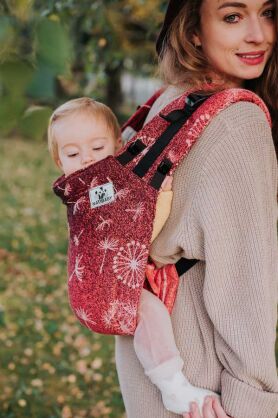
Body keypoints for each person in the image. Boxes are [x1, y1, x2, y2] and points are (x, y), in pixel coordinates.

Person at [115, 1, 278, 418]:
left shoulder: (171, 100)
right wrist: (254, 402)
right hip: (204, 384)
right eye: (232, 16)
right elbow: (244, 286)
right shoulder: (238, 121)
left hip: (150, 351)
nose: (259, 34)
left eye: (269, 12)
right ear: (192, 33)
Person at [48, 97, 219, 415]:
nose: (86, 160)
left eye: (98, 149)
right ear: (60, 162)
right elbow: (132, 218)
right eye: (72, 154)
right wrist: (162, 192)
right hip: (105, 288)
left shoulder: (110, 178)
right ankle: (172, 385)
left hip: (110, 276)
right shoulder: (92, 189)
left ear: (119, 145)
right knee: (149, 311)